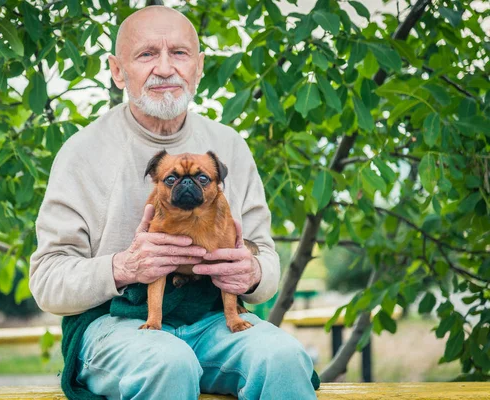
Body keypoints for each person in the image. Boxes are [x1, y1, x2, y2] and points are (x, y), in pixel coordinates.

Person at [29, 5, 318, 400]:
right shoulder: (81, 152)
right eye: (147, 54)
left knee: (284, 357)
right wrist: (124, 266)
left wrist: (249, 272)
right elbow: (47, 282)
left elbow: (265, 260)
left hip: (213, 319)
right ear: (117, 70)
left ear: (198, 67)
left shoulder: (229, 145)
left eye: (179, 53)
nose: (165, 68)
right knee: (168, 361)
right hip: (115, 323)